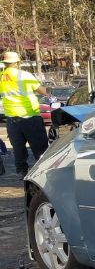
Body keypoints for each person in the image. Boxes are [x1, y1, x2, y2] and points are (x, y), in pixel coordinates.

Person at [0, 51, 50, 179]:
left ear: (5, 63)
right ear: (17, 62)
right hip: (30, 116)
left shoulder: (1, 77)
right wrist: (47, 90)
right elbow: (42, 91)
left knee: (18, 148)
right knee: (40, 147)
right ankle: (44, 172)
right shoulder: (24, 75)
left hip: (12, 119)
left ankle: (22, 172)